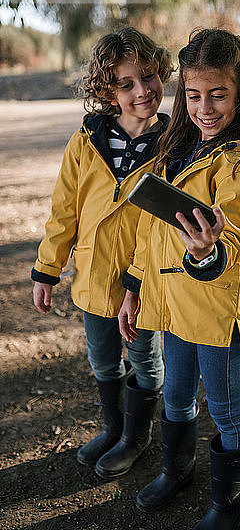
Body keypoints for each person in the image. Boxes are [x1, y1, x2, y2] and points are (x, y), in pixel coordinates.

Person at [119, 29, 240, 529]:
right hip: (171, 305)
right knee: (175, 396)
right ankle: (177, 470)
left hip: (215, 312)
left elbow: (232, 237)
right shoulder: (176, 148)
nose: (205, 107)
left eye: (219, 94)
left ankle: (228, 507)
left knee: (227, 410)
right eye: (194, 95)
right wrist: (134, 288)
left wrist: (206, 252)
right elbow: (151, 231)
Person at [31, 27, 173, 479]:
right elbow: (65, 209)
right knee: (102, 358)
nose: (142, 91)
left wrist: (136, 281)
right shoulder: (87, 139)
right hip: (93, 277)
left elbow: (159, 227)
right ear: (107, 92)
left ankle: (137, 436)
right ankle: (113, 428)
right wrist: (47, 268)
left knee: (145, 359)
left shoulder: (173, 145)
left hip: (143, 281)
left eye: (148, 77)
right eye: (126, 84)